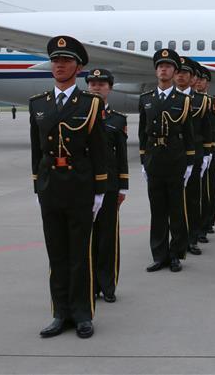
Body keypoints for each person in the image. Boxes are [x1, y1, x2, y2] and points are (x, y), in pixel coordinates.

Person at [29, 35, 110, 339]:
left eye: (65, 61)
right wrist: (37, 186)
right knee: (56, 253)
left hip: (79, 186)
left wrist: (100, 191)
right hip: (51, 185)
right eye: (55, 60)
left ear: (78, 67)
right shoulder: (38, 104)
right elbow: (37, 150)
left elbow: (99, 149)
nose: (59, 65)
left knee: (80, 254)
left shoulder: (90, 104)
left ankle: (82, 313)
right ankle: (60, 312)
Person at [138, 49, 195, 273]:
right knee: (157, 210)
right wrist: (143, 160)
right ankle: (159, 255)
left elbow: (188, 133)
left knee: (176, 210)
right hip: (154, 159)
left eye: (168, 66)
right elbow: (142, 133)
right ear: (156, 71)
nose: (164, 69)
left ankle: (176, 254)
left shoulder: (183, 100)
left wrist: (189, 162)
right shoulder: (146, 99)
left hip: (175, 158)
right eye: (160, 66)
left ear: (174, 71)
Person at [86, 68, 128, 303]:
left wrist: (123, 187)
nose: (96, 87)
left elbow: (121, 156)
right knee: (86, 238)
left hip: (110, 187)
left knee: (108, 237)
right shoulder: (78, 115)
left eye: (102, 84)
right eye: (92, 83)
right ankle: (90, 284)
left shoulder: (117, 119)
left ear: (110, 88)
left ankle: (108, 285)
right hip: (84, 185)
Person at [173, 58, 213, 255]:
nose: (181, 76)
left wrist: (207, 154)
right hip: (171, 156)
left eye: (185, 73)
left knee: (193, 198)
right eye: (178, 72)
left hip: (194, 155)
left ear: (192, 78)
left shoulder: (201, 101)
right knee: (173, 202)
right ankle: (176, 242)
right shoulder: (163, 99)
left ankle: (192, 237)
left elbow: (206, 130)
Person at [195, 66, 215, 236]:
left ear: (207, 83)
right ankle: (196, 224)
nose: (199, 82)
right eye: (197, 79)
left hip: (211, 150)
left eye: (202, 79)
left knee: (208, 187)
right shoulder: (188, 101)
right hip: (194, 149)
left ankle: (207, 222)